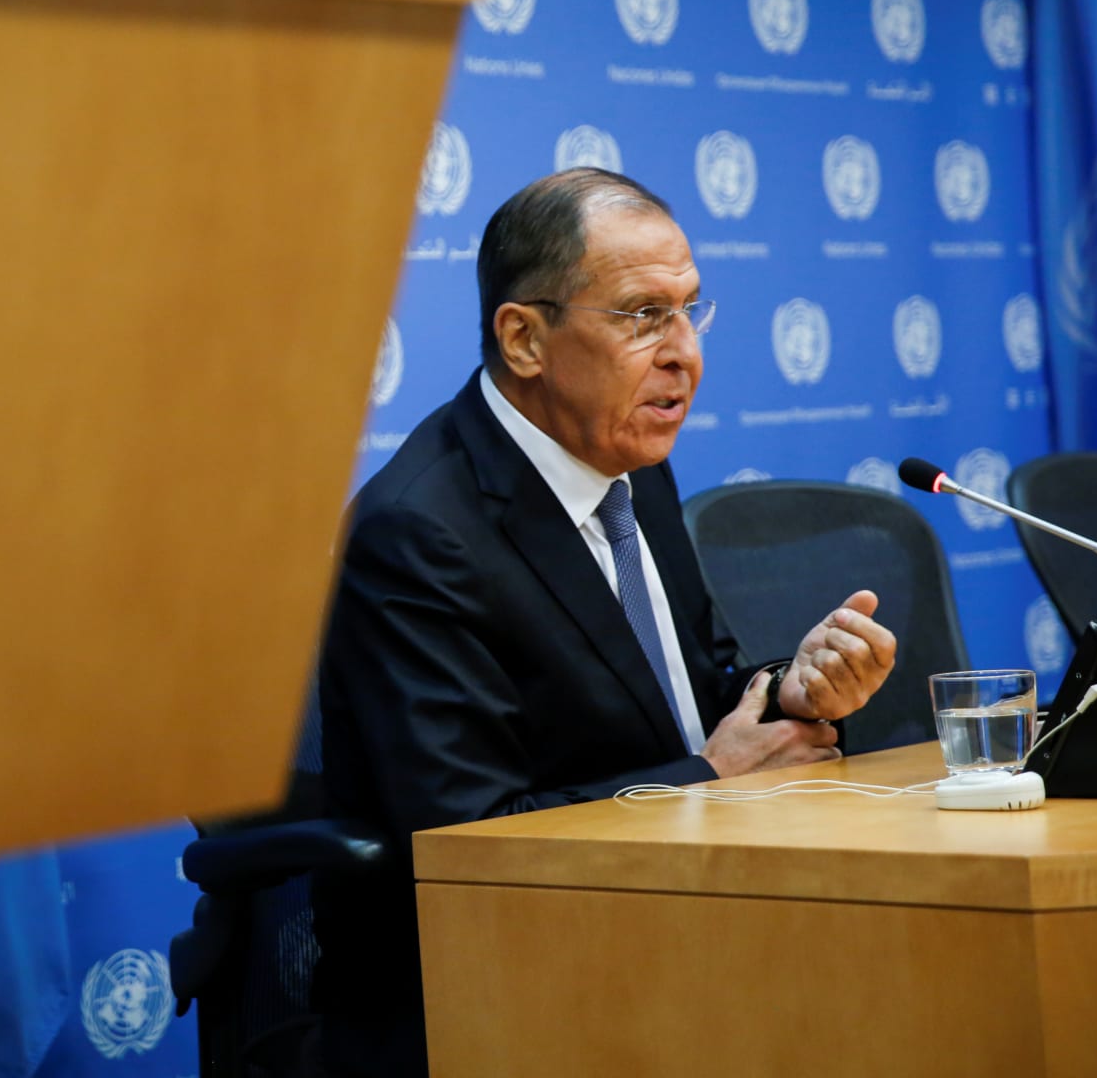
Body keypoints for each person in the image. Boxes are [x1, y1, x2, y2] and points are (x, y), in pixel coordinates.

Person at [310, 168, 898, 1078]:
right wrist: (709, 774)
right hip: (498, 991)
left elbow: (696, 688)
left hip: (674, 924)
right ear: (524, 339)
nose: (683, 355)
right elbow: (471, 837)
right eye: (639, 316)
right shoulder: (418, 534)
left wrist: (791, 689)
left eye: (689, 311)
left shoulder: (630, 464)